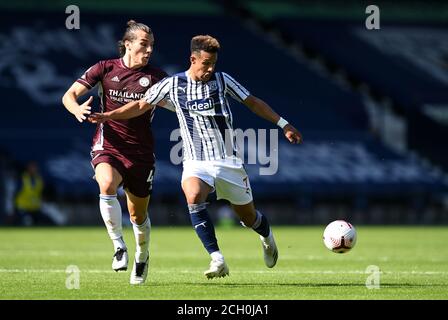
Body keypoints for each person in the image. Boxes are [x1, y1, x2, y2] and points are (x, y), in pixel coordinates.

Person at [89, 35, 302, 279]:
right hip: (195, 161)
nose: (210, 69)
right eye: (206, 64)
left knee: (249, 217)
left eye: (214, 64)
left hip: (228, 161)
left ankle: (266, 236)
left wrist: (283, 124)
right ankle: (217, 258)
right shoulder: (172, 84)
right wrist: (109, 115)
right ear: (193, 59)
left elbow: (252, 102)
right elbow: (140, 105)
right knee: (193, 196)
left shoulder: (223, 80)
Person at [62, 20, 172, 285]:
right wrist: (76, 109)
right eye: (144, 45)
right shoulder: (104, 68)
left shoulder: (157, 77)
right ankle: (119, 246)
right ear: (127, 44)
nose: (148, 51)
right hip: (108, 143)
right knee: (107, 183)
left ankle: (142, 256)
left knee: (138, 215)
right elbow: (69, 95)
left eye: (152, 46)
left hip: (141, 152)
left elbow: (174, 102)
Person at [14, 161, 54, 226]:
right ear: (28, 168)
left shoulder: (39, 178)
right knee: (26, 221)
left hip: (35, 208)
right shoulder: (22, 178)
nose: (34, 169)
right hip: (23, 207)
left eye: (35, 167)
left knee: (43, 221)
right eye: (32, 167)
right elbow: (15, 193)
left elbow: (42, 192)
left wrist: (43, 200)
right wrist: (14, 208)